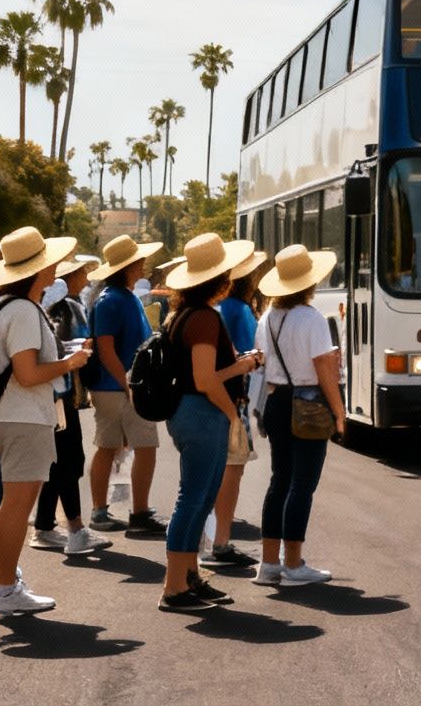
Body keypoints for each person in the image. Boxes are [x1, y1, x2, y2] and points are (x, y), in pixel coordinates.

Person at [0, 228, 97, 614]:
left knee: (13, 507)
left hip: (4, 417)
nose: (56, 267)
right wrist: (70, 363)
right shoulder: (24, 310)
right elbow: (27, 374)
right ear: (36, 270)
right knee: (15, 509)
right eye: (49, 262)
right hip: (24, 418)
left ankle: (2, 585)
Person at [157, 233, 261, 613]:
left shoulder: (183, 314)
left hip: (192, 412)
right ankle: (174, 586)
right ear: (219, 279)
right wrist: (243, 369)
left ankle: (188, 576)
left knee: (199, 498)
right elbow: (205, 379)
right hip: (202, 412)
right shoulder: (202, 318)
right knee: (193, 498)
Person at [254, 244, 343, 588]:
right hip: (306, 404)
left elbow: (262, 359)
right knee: (302, 485)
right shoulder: (312, 319)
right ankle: (293, 564)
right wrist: (339, 412)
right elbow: (324, 370)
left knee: (279, 482)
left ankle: (268, 563)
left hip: (276, 401)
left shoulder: (267, 317)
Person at [84, 234, 167, 535]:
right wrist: (129, 385)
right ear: (128, 266)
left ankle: (102, 512)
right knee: (142, 447)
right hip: (117, 387)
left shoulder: (121, 297)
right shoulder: (111, 300)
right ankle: (138, 513)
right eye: (139, 262)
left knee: (110, 447)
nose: (144, 266)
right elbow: (106, 349)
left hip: (117, 386)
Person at [30, 256, 111, 556]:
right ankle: (75, 529)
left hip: (59, 395)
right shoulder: (60, 307)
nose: (86, 278)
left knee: (59, 461)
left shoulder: (50, 306)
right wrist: (74, 353)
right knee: (69, 460)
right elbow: (49, 355)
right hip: (58, 396)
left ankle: (45, 525)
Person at [203, 249, 266, 570]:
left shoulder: (213, 308)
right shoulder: (239, 311)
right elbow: (245, 358)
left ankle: (214, 537)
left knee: (215, 470)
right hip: (230, 399)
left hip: (209, 399)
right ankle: (220, 543)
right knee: (232, 469)